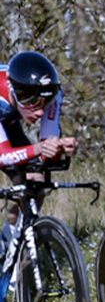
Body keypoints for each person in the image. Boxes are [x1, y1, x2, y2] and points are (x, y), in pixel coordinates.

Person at [0, 50, 78, 249]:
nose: (41, 111)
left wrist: (58, 148)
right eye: (33, 102)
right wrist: (38, 148)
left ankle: (11, 243)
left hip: (6, 120)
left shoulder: (51, 92)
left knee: (35, 182)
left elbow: (45, 153)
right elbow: (3, 157)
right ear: (16, 93)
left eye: (46, 102)